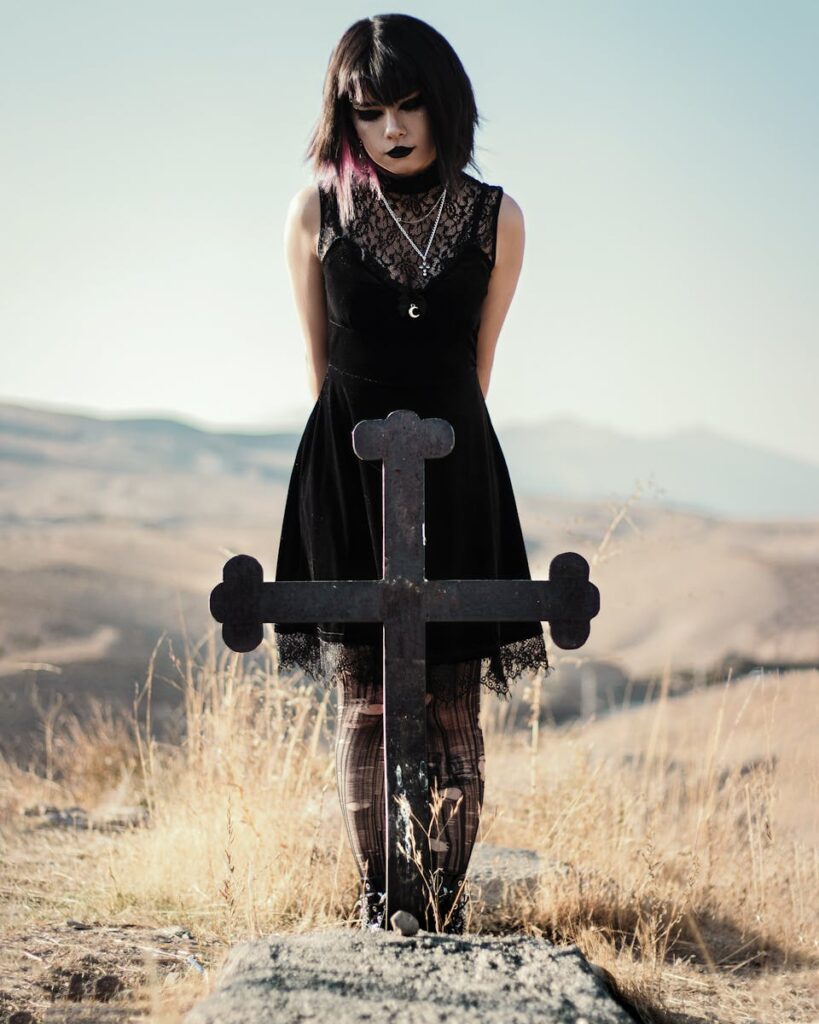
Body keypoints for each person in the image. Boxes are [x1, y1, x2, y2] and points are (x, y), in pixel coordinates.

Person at [273, 14, 552, 933]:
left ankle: (442, 903)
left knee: (452, 698)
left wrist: (433, 454)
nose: (391, 129)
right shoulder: (314, 210)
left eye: (409, 106)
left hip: (456, 462)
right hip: (349, 466)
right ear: (342, 118)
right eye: (368, 113)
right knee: (364, 693)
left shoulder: (498, 217)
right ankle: (380, 900)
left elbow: (480, 365)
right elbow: (319, 366)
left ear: (443, 105)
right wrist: (368, 462)